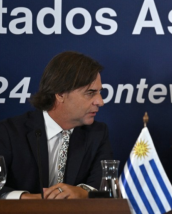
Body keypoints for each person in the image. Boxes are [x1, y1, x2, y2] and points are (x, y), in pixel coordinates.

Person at [0, 51, 113, 199]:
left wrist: (82, 192)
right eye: (90, 93)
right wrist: (26, 199)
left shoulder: (97, 133)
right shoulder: (9, 132)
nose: (100, 101)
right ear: (60, 94)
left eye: (99, 92)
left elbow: (104, 187)